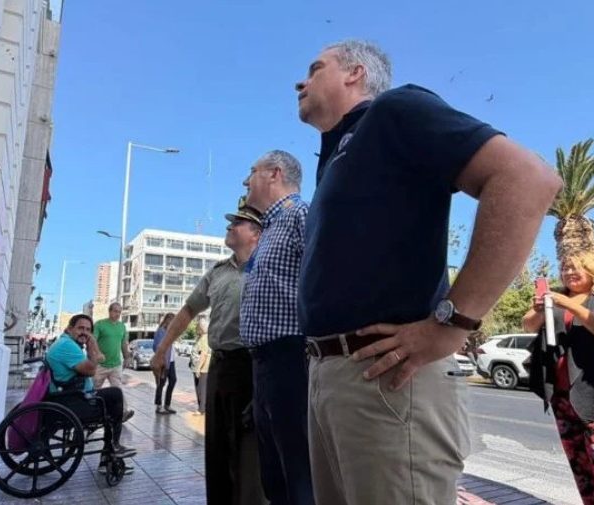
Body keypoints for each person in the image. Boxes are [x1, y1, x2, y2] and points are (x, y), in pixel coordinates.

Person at [295, 39, 562, 504]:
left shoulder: (393, 111)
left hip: (386, 382)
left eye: (315, 68)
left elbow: (528, 179)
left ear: (355, 73)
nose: (301, 80)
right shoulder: (338, 153)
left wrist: (455, 322)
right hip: (333, 378)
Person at [151, 201, 266, 505]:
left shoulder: (267, 268)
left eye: (236, 223)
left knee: (250, 448)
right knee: (217, 445)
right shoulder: (217, 272)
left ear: (255, 233)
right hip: (220, 366)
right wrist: (163, 349)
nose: (229, 227)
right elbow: (189, 309)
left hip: (253, 365)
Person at [240, 149, 314, 505]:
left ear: (274, 173)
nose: (245, 181)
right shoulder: (268, 228)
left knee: (297, 468)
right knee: (273, 472)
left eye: (251, 172)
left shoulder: (301, 215)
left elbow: (323, 283)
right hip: (264, 364)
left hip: (290, 357)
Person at [523, 252, 594, 504]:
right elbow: (528, 325)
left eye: (576, 268)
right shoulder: (554, 302)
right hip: (562, 397)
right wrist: (540, 310)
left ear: (593, 270)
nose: (569, 272)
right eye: (565, 268)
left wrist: (570, 304)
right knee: (580, 465)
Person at [45, 314, 136, 473]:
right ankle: (112, 449)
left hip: (69, 394)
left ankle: (108, 456)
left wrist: (93, 352)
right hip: (71, 401)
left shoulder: (68, 343)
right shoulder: (67, 346)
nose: (84, 332)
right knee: (115, 395)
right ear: (70, 328)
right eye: (80, 328)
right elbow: (91, 369)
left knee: (112, 397)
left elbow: (97, 359)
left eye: (88, 330)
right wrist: (93, 344)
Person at [93, 303, 134, 421]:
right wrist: (98, 353)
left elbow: (124, 343)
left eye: (119, 312)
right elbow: (93, 340)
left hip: (116, 364)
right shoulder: (100, 324)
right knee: (94, 389)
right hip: (100, 365)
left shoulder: (122, 327)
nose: (117, 314)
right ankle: (90, 411)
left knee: (118, 389)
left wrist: (126, 357)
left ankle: (123, 412)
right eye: (115, 311)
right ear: (109, 311)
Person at [152, 313, 177, 414]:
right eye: (172, 321)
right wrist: (161, 358)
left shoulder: (170, 331)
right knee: (161, 383)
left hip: (171, 361)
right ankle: (159, 406)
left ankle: (167, 405)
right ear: (167, 320)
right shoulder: (161, 331)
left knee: (173, 380)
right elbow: (155, 346)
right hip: (163, 361)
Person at [189, 316, 210, 415]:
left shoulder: (205, 338)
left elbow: (204, 354)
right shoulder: (201, 337)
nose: (198, 327)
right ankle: (201, 408)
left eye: (200, 326)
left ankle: (202, 409)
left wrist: (198, 368)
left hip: (203, 369)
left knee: (201, 390)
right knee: (199, 389)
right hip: (199, 368)